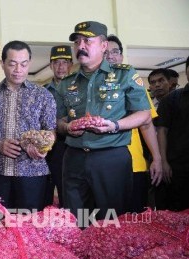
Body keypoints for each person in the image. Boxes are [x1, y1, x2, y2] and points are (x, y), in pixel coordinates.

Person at [54, 21, 151, 224]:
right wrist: (67, 127)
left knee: (113, 222)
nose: (80, 46)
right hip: (74, 159)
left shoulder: (124, 74)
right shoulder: (66, 82)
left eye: (87, 41)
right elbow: (59, 120)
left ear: (104, 45)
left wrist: (115, 125)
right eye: (77, 42)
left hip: (111, 158)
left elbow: (144, 114)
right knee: (76, 221)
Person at [0, 40, 56, 212]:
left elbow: (50, 130)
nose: (18, 70)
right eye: (12, 64)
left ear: (29, 64)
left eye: (24, 64)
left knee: (30, 227)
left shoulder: (43, 95)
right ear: (2, 64)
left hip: (32, 173)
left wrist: (44, 147)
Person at [105, 34, 162, 212]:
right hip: (102, 166)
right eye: (106, 53)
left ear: (121, 56)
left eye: (115, 52)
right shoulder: (90, 88)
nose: (111, 56)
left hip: (134, 164)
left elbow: (146, 124)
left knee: (135, 222)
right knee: (105, 225)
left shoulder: (134, 86)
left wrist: (157, 158)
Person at [154, 56, 189, 211]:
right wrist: (163, 161)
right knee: (176, 211)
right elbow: (161, 130)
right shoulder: (172, 98)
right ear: (187, 71)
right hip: (177, 166)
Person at [44, 45, 74, 207]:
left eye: (65, 62)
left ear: (71, 64)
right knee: (46, 192)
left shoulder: (80, 89)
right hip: (49, 148)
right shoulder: (43, 91)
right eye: (56, 63)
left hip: (72, 146)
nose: (61, 66)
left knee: (68, 194)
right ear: (50, 65)